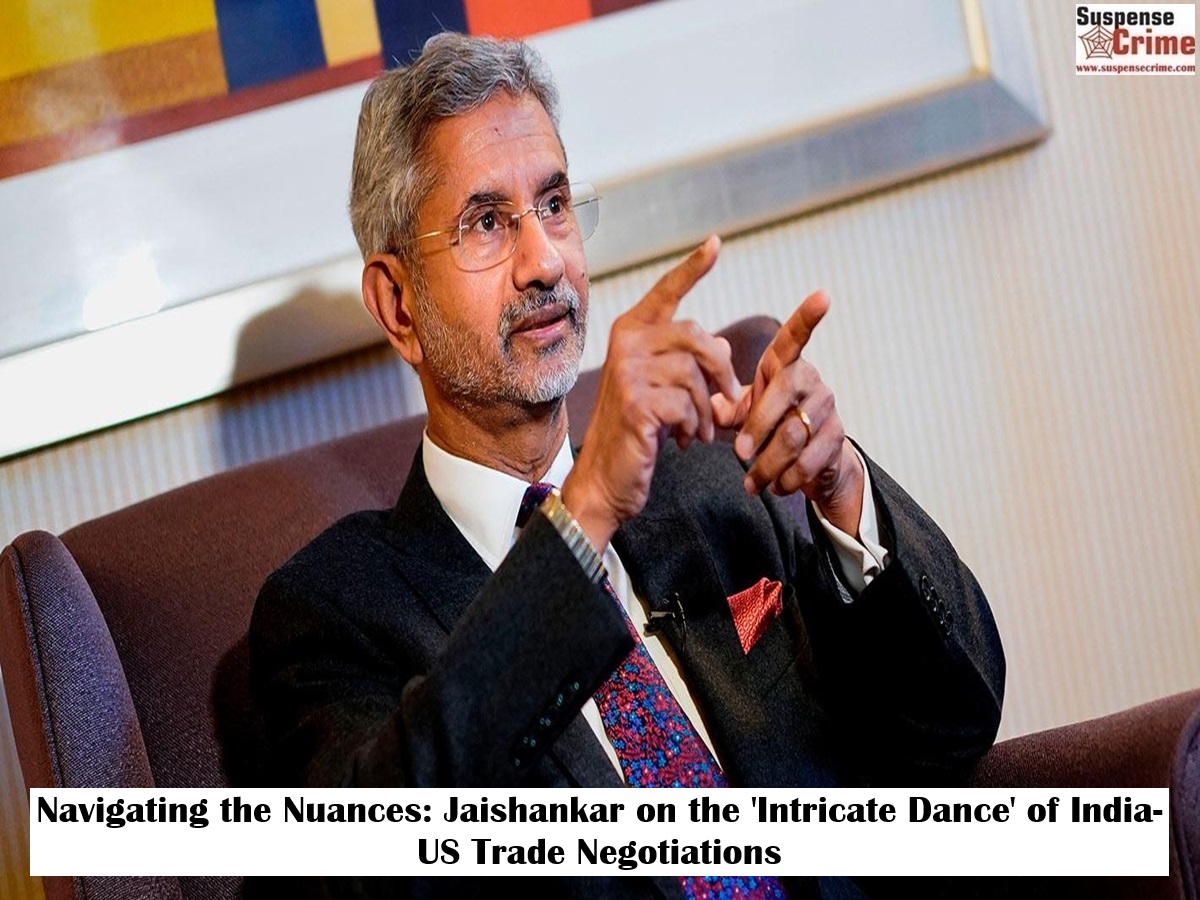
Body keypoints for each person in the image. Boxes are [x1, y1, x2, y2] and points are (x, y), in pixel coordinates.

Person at [249, 32, 1005, 900]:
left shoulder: (717, 483)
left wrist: (842, 494)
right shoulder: (336, 610)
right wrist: (584, 518)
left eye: (555, 204)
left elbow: (956, 724)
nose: (545, 261)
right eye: (487, 222)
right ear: (398, 304)